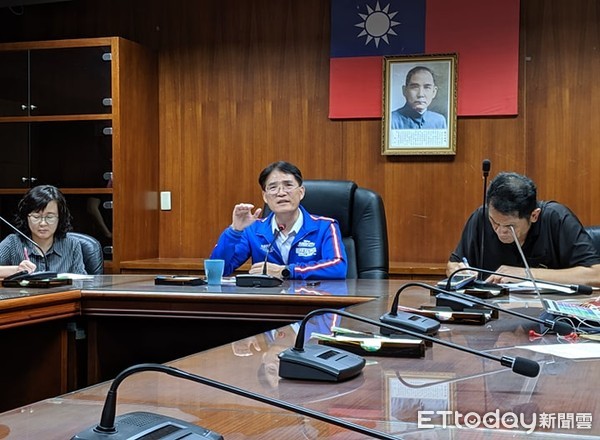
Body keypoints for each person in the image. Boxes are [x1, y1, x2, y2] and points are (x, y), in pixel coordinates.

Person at [447, 172, 600, 286]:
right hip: (494, 313)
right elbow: (453, 265)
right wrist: (459, 273)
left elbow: (596, 274)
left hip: (547, 315)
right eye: (494, 222)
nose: (500, 231)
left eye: (509, 226)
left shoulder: (556, 218)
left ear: (534, 215)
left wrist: (526, 274)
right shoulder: (481, 217)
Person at [210, 161, 347, 279]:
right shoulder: (254, 229)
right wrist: (235, 230)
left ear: (301, 192)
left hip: (314, 303)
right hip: (268, 304)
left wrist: (286, 271)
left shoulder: (325, 226)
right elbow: (217, 271)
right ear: (265, 196)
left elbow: (338, 267)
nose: (281, 192)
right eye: (273, 187)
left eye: (288, 185)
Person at [0, 185, 86, 277]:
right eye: (36, 217)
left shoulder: (72, 245)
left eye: (50, 217)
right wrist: (16, 270)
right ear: (26, 217)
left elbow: (82, 281)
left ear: (60, 218)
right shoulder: (13, 243)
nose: (43, 223)